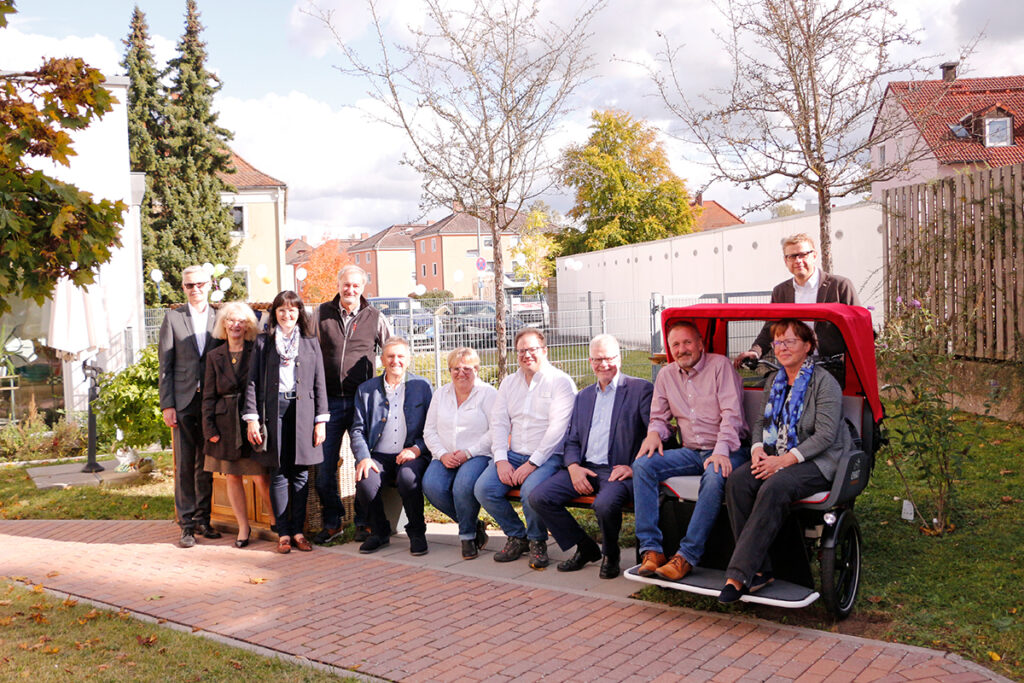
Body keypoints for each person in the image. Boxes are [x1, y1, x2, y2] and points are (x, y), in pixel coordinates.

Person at [719, 319, 854, 603]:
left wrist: (783, 462)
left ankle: (739, 574)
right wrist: (757, 449)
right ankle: (761, 570)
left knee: (775, 486)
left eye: (790, 341)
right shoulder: (774, 380)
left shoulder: (824, 383)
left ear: (808, 346)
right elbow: (760, 422)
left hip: (819, 460)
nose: (782, 348)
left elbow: (826, 435)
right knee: (739, 481)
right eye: (778, 342)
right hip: (776, 455)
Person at [529, 334, 653, 579]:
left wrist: (634, 467)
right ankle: (584, 547)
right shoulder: (584, 396)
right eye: (597, 359)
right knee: (539, 497)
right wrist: (573, 466)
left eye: (608, 358)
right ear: (590, 361)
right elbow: (572, 439)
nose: (603, 364)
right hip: (585, 468)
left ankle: (611, 553)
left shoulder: (640, 390)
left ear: (619, 357)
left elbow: (659, 436)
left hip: (620, 469)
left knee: (604, 505)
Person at [634, 320, 749, 581]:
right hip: (691, 450)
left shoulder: (720, 367)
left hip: (730, 448)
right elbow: (659, 417)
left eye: (687, 342)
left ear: (700, 344)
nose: (681, 349)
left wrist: (720, 452)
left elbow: (732, 416)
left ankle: (686, 556)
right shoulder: (666, 375)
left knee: (713, 475)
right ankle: (652, 550)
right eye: (675, 344)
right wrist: (654, 434)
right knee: (642, 465)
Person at [475, 328, 577, 569]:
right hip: (514, 453)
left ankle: (537, 541)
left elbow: (558, 429)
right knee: (483, 488)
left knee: (530, 491)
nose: (526, 355)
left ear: (544, 351)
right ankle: (517, 535)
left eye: (532, 350)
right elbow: (499, 422)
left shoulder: (560, 382)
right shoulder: (510, 383)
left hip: (549, 457)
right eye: (521, 350)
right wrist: (500, 459)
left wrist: (532, 464)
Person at [244, 291, 329, 555]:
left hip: (303, 410)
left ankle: (298, 531)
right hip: (273, 410)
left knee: (301, 473)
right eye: (282, 310)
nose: (287, 315)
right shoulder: (263, 342)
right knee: (279, 472)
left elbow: (319, 381)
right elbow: (252, 382)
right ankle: (282, 533)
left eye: (292, 310)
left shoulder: (310, 342)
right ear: (275, 313)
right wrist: (252, 419)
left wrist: (320, 420)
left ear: (299, 313)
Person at [313, 265, 392, 545]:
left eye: (356, 286)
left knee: (364, 464)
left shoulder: (375, 317)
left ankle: (363, 522)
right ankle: (333, 522)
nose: (351, 290)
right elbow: (309, 350)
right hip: (329, 402)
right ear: (338, 285)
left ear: (363, 287)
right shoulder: (321, 314)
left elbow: (391, 350)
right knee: (324, 470)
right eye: (346, 285)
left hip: (363, 403)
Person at [158, 265, 223, 548]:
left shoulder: (220, 316)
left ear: (209, 284)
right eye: (189, 285)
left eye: (199, 284)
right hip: (183, 401)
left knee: (206, 464)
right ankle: (186, 526)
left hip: (212, 402)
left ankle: (203, 520)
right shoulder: (173, 318)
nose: (194, 289)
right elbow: (165, 367)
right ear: (182, 288)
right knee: (185, 465)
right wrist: (167, 405)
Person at [350, 337, 433, 555]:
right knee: (366, 481)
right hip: (378, 455)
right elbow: (357, 430)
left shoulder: (422, 387)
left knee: (408, 479)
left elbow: (435, 427)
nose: (395, 361)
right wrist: (364, 457)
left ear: (408, 360)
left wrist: (417, 449)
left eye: (400, 356)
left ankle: (416, 532)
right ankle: (379, 532)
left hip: (412, 453)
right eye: (390, 356)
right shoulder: (366, 390)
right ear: (382, 360)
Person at [202, 302, 273, 548]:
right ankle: (243, 527)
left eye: (241, 321)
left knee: (259, 476)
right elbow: (208, 396)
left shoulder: (258, 351)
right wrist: (209, 429)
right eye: (231, 320)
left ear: (248, 326)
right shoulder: (214, 356)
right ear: (223, 325)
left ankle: (276, 519)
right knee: (232, 476)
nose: (236, 325)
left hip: (251, 420)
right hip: (224, 425)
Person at [734, 233, 861, 369]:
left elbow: (860, 328)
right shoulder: (781, 291)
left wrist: (848, 356)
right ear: (786, 261)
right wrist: (755, 352)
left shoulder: (839, 286)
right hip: (792, 366)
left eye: (803, 254)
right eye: (792, 256)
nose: (798, 261)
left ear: (814, 256)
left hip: (833, 367)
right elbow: (770, 328)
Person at [421, 347, 498, 560]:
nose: (461, 373)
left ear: (477, 369)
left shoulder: (488, 394)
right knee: (432, 486)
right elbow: (429, 430)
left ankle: (467, 537)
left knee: (463, 486)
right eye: (456, 368)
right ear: (449, 370)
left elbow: (496, 429)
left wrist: (468, 453)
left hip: (478, 454)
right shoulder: (441, 394)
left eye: (467, 368)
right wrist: (442, 454)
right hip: (445, 454)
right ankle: (474, 524)